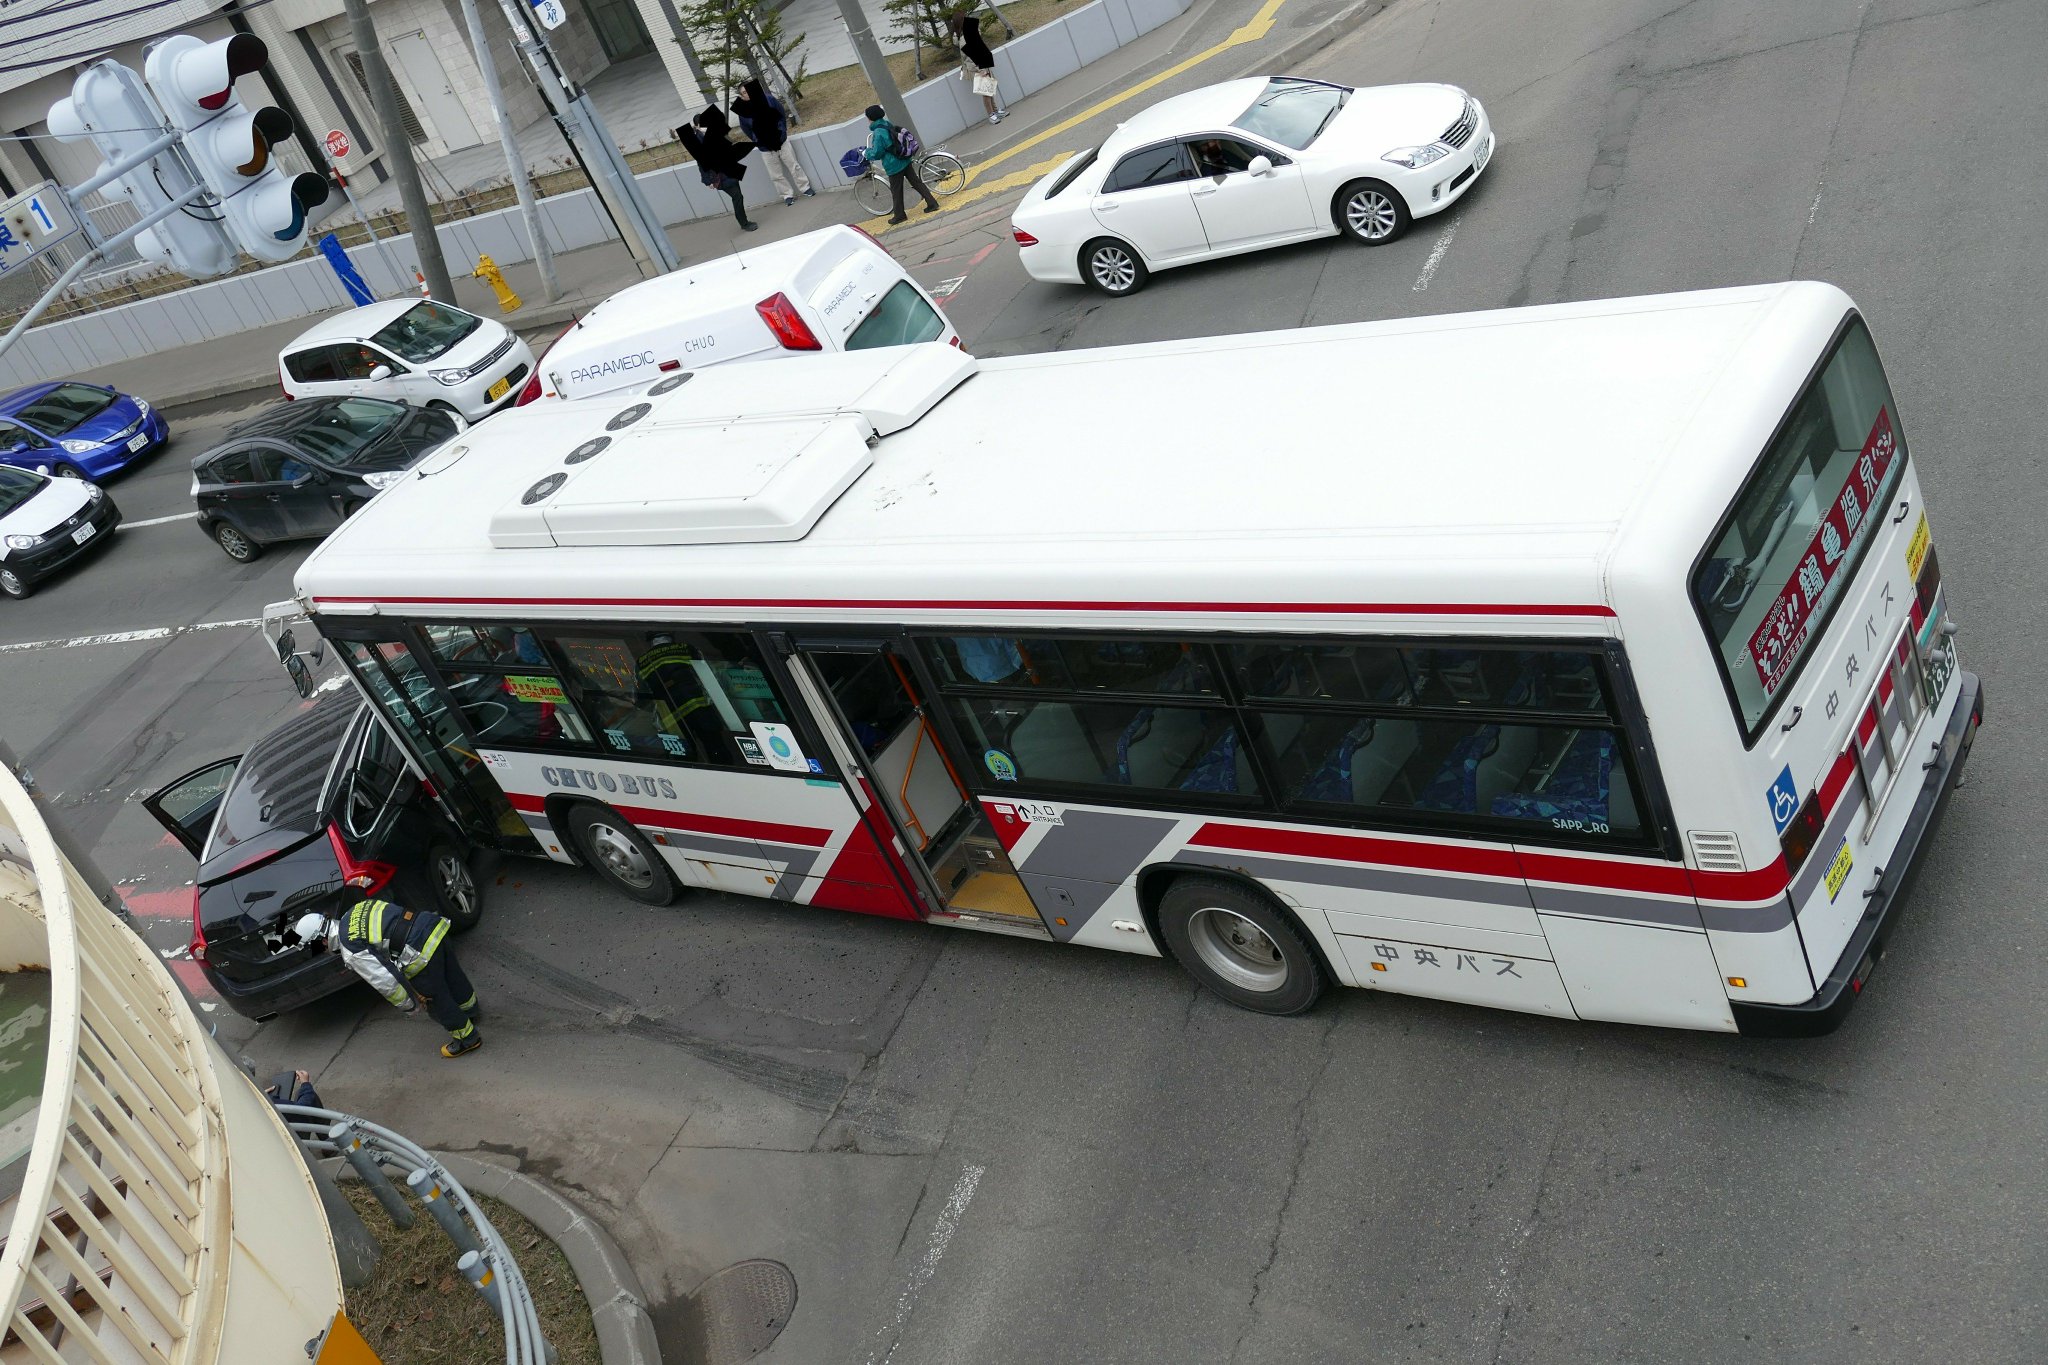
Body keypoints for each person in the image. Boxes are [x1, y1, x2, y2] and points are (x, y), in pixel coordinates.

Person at [294, 875, 483, 1058]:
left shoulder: (350, 949)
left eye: (317, 946)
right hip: (432, 927)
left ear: (321, 939)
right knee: (454, 976)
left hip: (419, 953)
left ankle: (467, 1039)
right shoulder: (355, 910)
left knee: (437, 1001)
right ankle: (471, 1010)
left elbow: (386, 980)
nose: (320, 950)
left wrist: (410, 1005)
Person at [732, 79, 813, 207]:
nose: (747, 94)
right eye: (744, 93)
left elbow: (781, 114)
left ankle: (805, 188)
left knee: (794, 166)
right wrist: (757, 139)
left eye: (748, 91)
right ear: (741, 96)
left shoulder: (769, 99)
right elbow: (746, 129)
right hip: (765, 148)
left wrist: (781, 132)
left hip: (781, 141)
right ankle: (787, 195)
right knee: (775, 175)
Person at [678, 121, 757, 232]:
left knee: (738, 196)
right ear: (697, 126)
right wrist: (708, 181)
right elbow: (701, 164)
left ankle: (744, 222)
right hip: (719, 177)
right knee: (737, 196)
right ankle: (744, 223)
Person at [866, 105, 938, 224]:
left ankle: (899, 215)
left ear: (871, 118)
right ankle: (932, 203)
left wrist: (867, 153)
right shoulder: (886, 124)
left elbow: (877, 153)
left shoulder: (878, 132)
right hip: (904, 158)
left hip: (893, 165)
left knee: (896, 190)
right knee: (916, 182)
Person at [949, 11, 1005, 124]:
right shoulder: (965, 38)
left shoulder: (966, 34)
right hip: (979, 67)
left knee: (989, 89)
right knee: (986, 92)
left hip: (982, 64)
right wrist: (982, 69)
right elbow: (971, 57)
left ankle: (995, 111)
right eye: (965, 18)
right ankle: (991, 114)